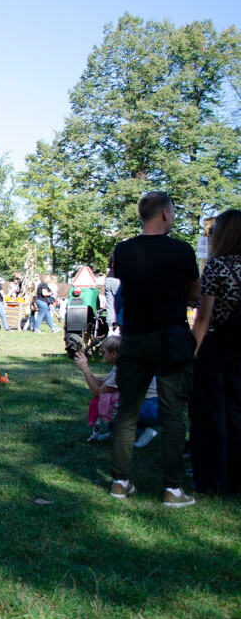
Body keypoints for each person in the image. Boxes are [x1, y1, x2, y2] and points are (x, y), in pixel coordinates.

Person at [109, 191, 200, 507]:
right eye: (172, 212)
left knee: (127, 410)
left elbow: (123, 287)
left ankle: (120, 483)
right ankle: (172, 490)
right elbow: (194, 293)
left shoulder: (123, 251)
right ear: (165, 213)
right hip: (172, 338)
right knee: (174, 413)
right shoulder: (182, 251)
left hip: (133, 337)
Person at [189, 209, 241, 495]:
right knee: (236, 411)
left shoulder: (217, 267)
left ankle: (210, 477)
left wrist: (192, 351)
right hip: (238, 349)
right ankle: (235, 476)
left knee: (210, 414)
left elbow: (204, 318)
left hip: (215, 347)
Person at [74, 335, 160, 446]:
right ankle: (115, 431)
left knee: (113, 405)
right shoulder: (122, 363)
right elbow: (102, 385)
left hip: (151, 408)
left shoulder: (124, 370)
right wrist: (86, 369)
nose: (101, 353)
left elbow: (98, 393)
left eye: (103, 351)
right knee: (113, 401)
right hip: (150, 404)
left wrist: (85, 370)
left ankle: (145, 431)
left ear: (114, 354)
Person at [104, 256, 121, 333]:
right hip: (118, 280)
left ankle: (110, 330)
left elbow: (108, 270)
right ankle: (118, 328)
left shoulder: (112, 255)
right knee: (120, 304)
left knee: (109, 306)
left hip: (108, 280)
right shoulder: (127, 255)